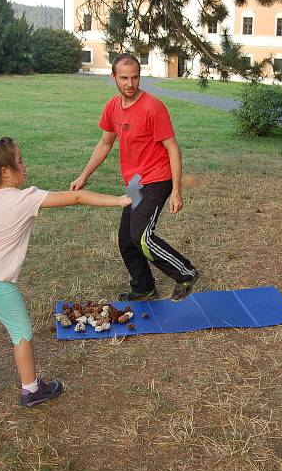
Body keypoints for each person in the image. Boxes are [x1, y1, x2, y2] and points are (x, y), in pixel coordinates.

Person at [0, 137, 132, 407]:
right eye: (20, 160)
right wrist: (118, 200)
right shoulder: (24, 197)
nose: (25, 164)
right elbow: (76, 197)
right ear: (5, 171)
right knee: (21, 332)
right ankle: (31, 390)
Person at [71, 53, 198, 303]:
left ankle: (186, 272)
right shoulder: (112, 107)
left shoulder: (153, 107)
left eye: (135, 77)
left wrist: (176, 190)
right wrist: (84, 175)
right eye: (124, 78)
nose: (130, 84)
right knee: (127, 239)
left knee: (141, 235)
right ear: (114, 78)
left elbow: (173, 148)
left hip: (158, 178)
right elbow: (105, 143)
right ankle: (144, 288)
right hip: (136, 183)